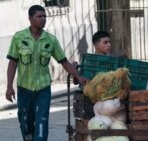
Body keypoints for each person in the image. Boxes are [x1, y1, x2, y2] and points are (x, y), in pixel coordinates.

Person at [5, 5, 88, 141]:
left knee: (42, 124)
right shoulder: (19, 38)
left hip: (43, 90)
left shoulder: (51, 40)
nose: (43, 19)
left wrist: (77, 76)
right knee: (25, 125)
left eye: (45, 16)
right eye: (39, 16)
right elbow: (12, 63)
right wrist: (9, 87)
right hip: (24, 90)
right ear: (30, 18)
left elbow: (64, 62)